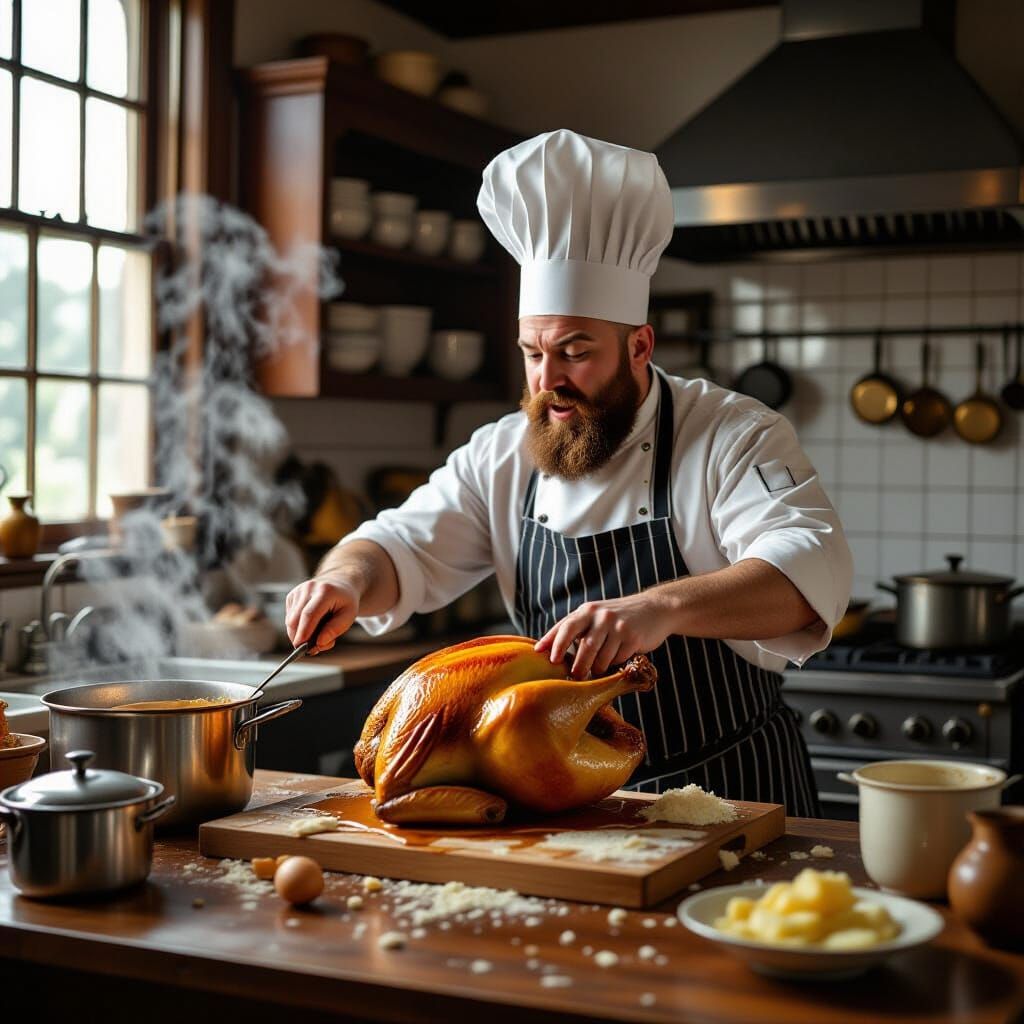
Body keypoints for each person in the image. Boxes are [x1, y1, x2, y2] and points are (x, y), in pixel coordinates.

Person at [286, 129, 852, 816]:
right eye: (533, 353)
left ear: (639, 345)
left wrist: (660, 608)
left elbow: (807, 570)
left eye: (576, 352)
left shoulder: (732, 434)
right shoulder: (501, 453)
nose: (548, 380)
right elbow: (395, 545)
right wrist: (345, 580)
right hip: (567, 807)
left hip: (730, 794)